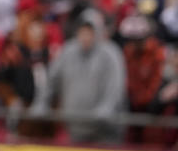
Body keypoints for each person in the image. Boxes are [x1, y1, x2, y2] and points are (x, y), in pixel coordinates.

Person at [35, 9, 126, 143]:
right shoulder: (67, 52)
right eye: (83, 32)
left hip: (104, 130)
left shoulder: (111, 54)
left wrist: (105, 108)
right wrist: (42, 103)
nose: (86, 37)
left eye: (90, 32)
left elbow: (116, 87)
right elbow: (51, 80)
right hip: (74, 128)